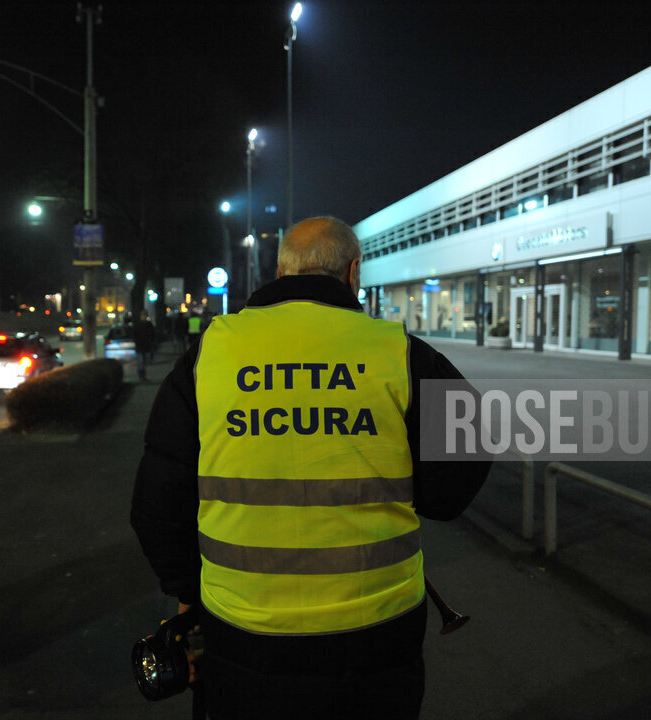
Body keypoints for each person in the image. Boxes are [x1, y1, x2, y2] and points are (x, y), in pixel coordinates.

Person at [131, 216, 489, 719]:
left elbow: (157, 504)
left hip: (242, 627)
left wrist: (187, 595)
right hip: (377, 630)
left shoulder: (210, 352)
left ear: (280, 270)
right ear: (353, 272)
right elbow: (462, 462)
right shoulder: (398, 352)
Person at [134, 309, 157, 380]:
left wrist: (152, 342)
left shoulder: (149, 324)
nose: (144, 317)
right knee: (140, 362)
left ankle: (143, 375)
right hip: (140, 347)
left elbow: (153, 334)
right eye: (142, 315)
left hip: (147, 346)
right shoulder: (138, 325)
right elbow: (134, 335)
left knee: (146, 361)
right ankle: (142, 376)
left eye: (145, 315)